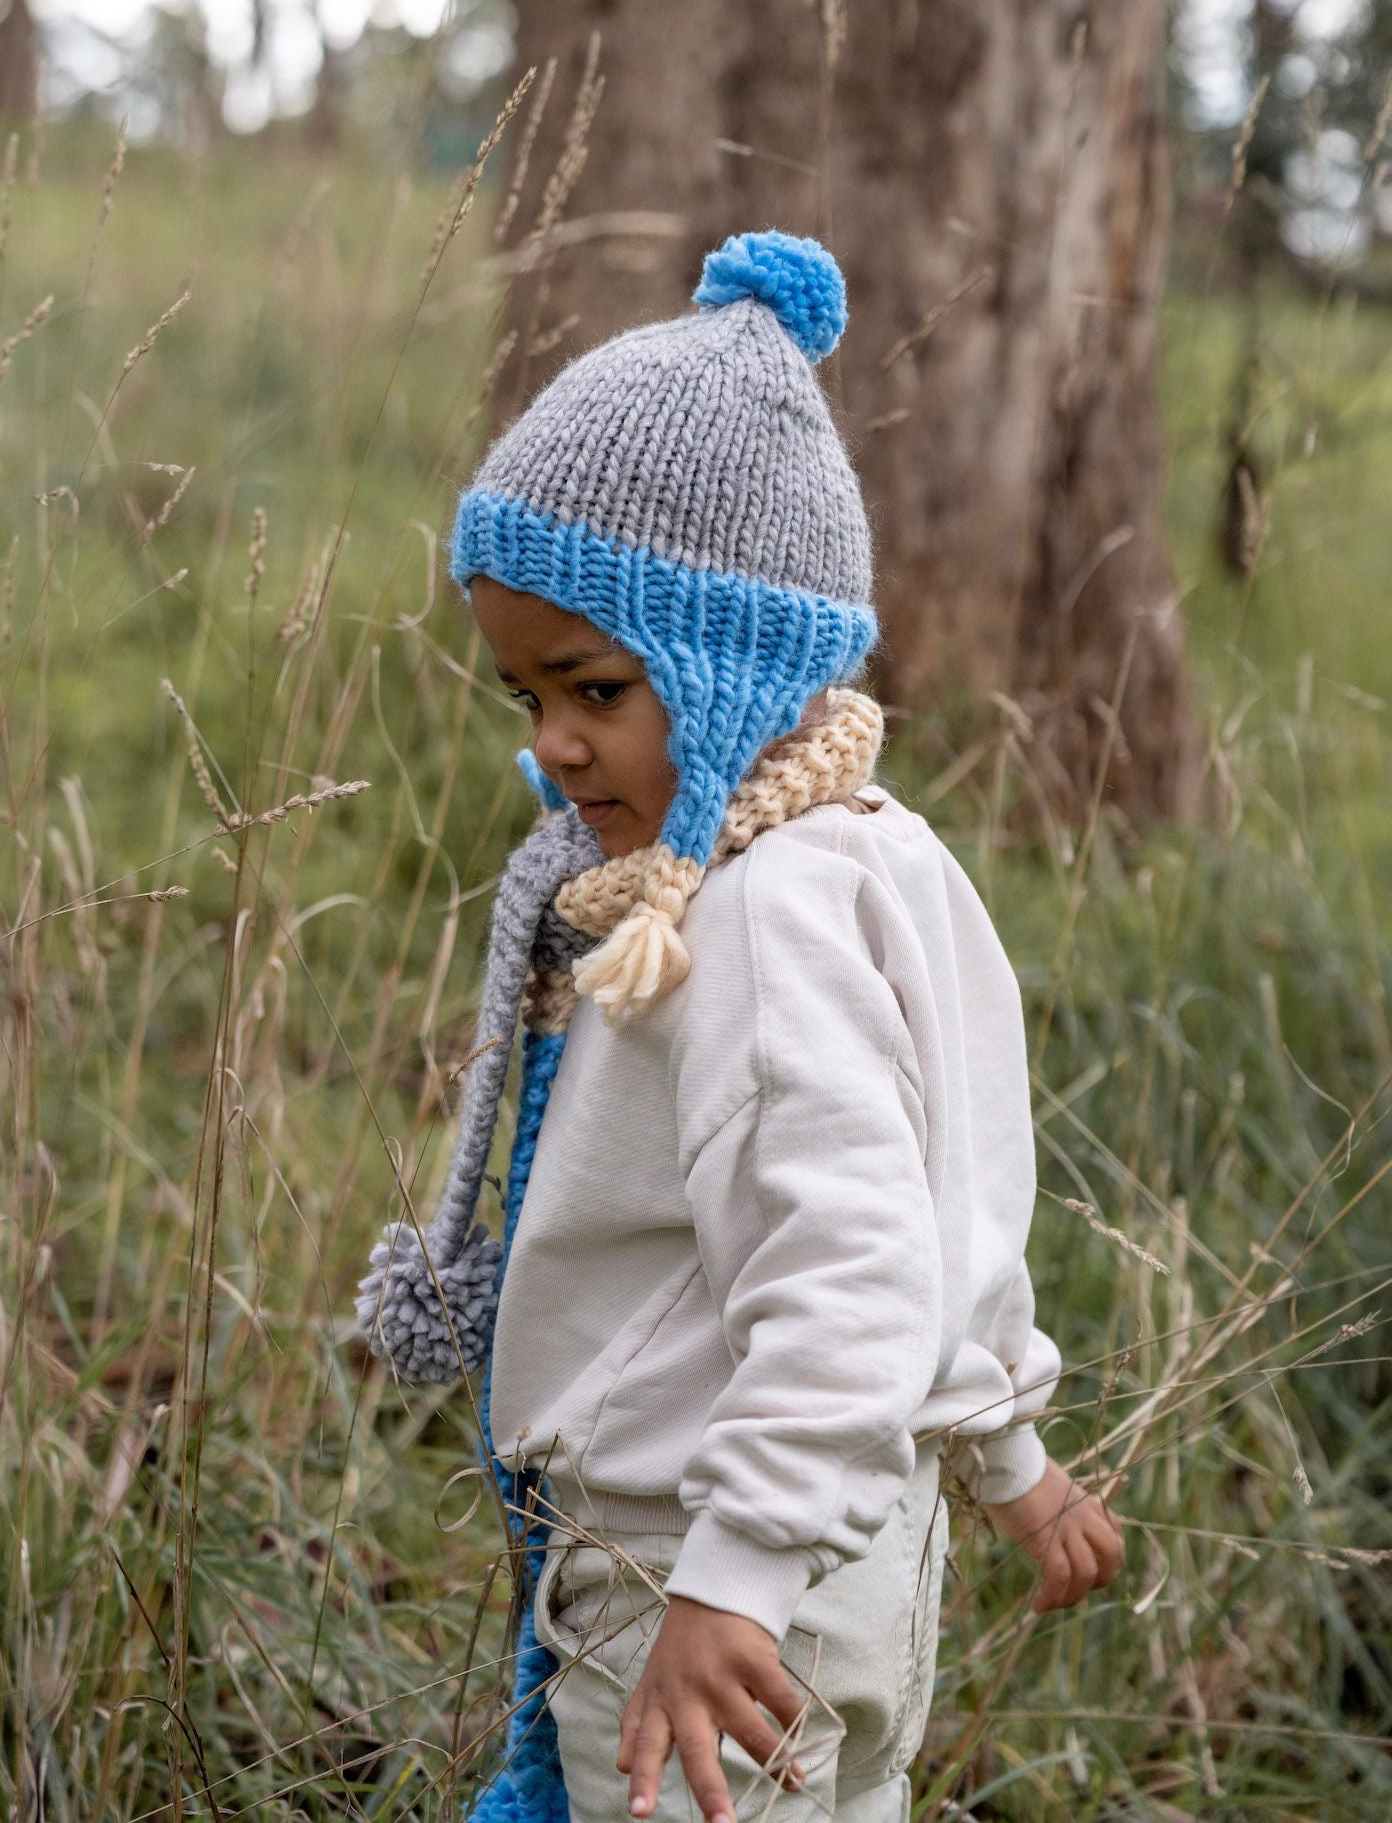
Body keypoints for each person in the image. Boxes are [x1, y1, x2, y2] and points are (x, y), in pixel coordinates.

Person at [357, 230, 1125, 1823]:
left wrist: (727, 1587)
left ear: (731, 666)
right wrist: (1004, 1452)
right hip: (851, 1535)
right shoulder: (872, 854)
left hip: (700, 1564)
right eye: (526, 700)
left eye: (593, 687)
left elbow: (844, 1266)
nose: (557, 747)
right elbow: (933, 1213)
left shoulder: (756, 924)